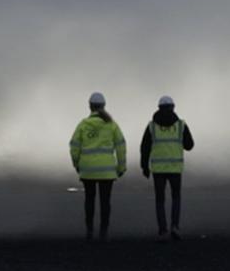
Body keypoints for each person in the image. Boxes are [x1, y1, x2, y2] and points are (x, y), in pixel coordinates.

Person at [68, 91, 127, 240]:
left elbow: (74, 146)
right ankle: (103, 232)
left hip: (87, 170)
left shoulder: (83, 125)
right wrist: (121, 167)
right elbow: (121, 146)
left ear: (90, 106)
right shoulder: (112, 125)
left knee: (89, 200)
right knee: (105, 202)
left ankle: (89, 231)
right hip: (107, 171)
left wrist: (77, 164)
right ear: (104, 106)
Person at [139, 94, 195, 239]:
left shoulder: (151, 126)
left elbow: (144, 148)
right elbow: (189, 146)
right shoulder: (181, 125)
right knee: (176, 197)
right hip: (175, 168)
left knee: (160, 199)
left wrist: (144, 167)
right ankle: (175, 227)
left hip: (158, 170)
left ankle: (162, 230)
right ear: (173, 107)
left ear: (158, 108)